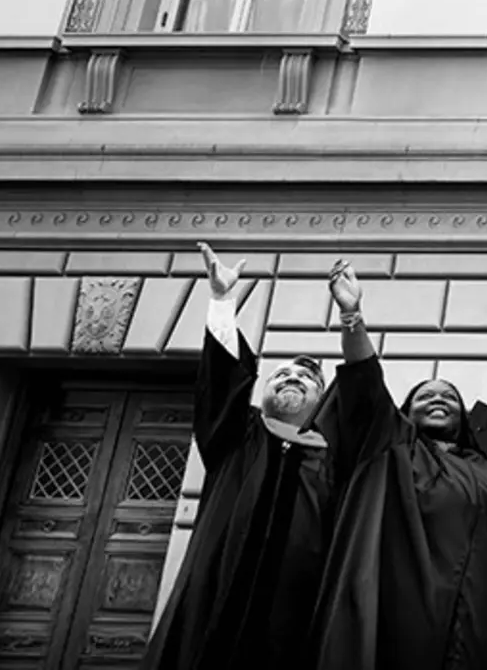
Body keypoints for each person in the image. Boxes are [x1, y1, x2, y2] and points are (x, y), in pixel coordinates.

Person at [310, 259, 487, 670]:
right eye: (425, 395)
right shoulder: (392, 448)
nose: (439, 398)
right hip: (400, 614)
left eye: (449, 395)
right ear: (406, 412)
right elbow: (365, 383)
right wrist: (351, 316)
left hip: (480, 624)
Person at [142, 243, 332, 670]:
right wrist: (223, 302)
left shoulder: (330, 456)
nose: (292, 378)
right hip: (218, 587)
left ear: (320, 401)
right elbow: (222, 380)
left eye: (306, 378)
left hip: (296, 606)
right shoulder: (237, 436)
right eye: (282, 373)